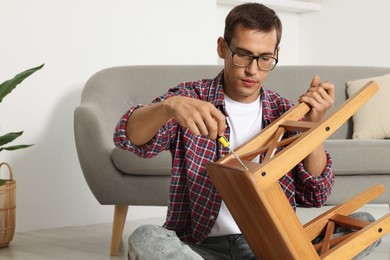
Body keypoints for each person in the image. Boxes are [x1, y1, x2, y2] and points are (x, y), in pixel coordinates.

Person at [114, 3, 379, 259]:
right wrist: (168, 107)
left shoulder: (285, 112)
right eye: (243, 54)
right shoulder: (190, 98)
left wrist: (314, 128)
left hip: (271, 248)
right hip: (200, 248)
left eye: (265, 58)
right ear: (222, 48)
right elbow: (127, 138)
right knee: (146, 237)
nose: (253, 69)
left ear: (276, 54)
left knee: (363, 224)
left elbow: (316, 195)